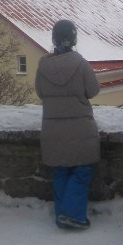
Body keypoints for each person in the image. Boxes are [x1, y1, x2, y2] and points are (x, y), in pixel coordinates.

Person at [35, 19, 100, 230]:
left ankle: (61, 213)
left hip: (53, 129)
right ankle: (73, 214)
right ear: (73, 39)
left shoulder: (43, 66)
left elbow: (41, 93)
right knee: (82, 171)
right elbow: (93, 90)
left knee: (60, 171)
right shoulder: (80, 64)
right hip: (80, 127)